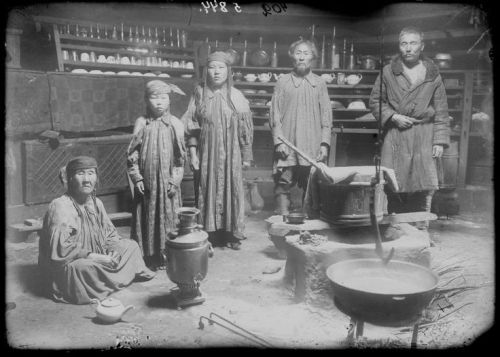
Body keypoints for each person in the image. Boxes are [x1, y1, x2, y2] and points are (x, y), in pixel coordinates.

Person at [38, 156, 156, 305]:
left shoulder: (96, 202)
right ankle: (113, 277)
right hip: (72, 261)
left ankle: (105, 279)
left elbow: (109, 232)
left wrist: (114, 249)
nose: (87, 179)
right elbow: (62, 250)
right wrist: (96, 257)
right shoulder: (60, 206)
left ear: (96, 177)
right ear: (70, 179)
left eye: (91, 173)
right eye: (80, 173)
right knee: (80, 269)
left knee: (131, 246)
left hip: (99, 255)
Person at [369, 26, 450, 229]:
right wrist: (393, 117)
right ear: (399, 46)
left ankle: (420, 229)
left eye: (413, 43)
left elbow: (441, 110)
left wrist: (439, 141)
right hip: (396, 134)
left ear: (421, 46)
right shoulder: (388, 72)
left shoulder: (433, 75)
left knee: (423, 184)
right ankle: (393, 227)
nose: (408, 48)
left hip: (424, 135)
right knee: (392, 181)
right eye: (404, 43)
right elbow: (375, 102)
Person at [182, 51, 253, 250]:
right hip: (207, 154)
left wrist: (246, 156)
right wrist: (193, 153)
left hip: (232, 155)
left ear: (229, 71)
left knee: (232, 189)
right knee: (206, 188)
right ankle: (209, 233)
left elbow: (245, 130)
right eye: (212, 67)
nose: (216, 72)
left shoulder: (237, 96)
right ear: (206, 71)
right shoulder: (199, 93)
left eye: (221, 68)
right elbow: (192, 125)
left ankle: (231, 233)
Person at [127, 80, 186, 269]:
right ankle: (148, 256)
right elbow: (132, 154)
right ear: (146, 100)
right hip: (147, 182)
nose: (159, 102)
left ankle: (168, 254)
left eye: (163, 98)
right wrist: (136, 177)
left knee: (169, 216)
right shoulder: (141, 122)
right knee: (147, 215)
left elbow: (180, 158)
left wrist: (175, 180)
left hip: (167, 182)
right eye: (154, 98)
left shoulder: (175, 124)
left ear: (170, 100)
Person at [269, 39, 332, 215]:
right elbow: (274, 114)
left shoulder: (320, 84)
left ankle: (308, 227)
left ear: (313, 57)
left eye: (306, 53)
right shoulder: (282, 82)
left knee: (312, 185)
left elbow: (327, 116)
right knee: (283, 183)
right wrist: (278, 142)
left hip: (312, 144)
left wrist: (324, 144)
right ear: (292, 57)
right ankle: (282, 224)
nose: (302, 57)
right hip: (287, 144)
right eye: (298, 53)